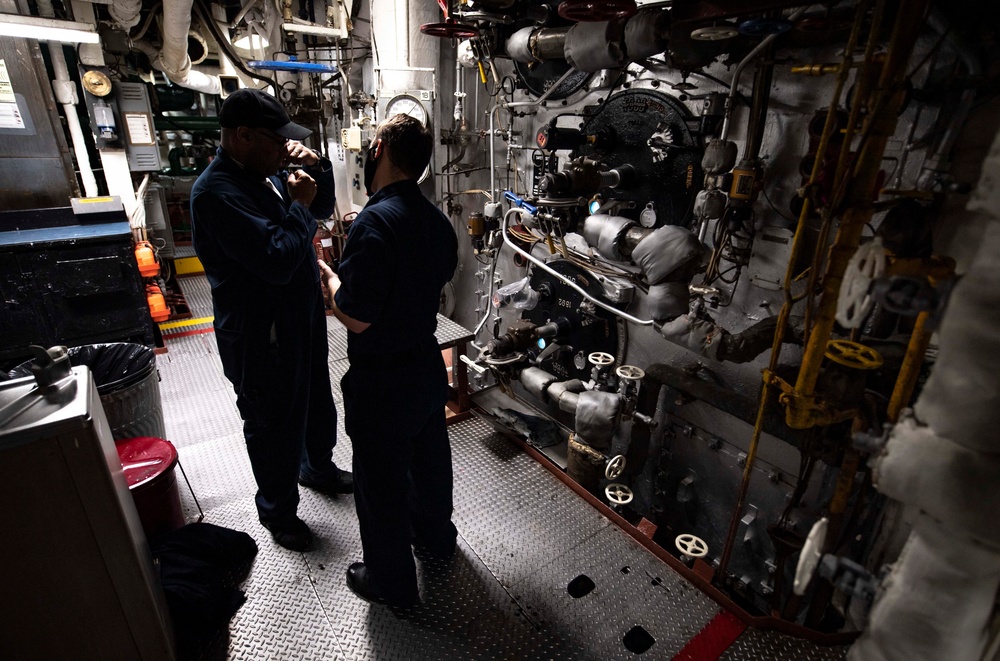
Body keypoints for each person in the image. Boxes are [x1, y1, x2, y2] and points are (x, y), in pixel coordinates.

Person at [191, 88, 353, 552]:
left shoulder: (264, 172)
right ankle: (279, 513)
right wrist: (298, 206)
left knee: (315, 398)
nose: (285, 148)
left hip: (297, 316)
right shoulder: (216, 194)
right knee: (272, 422)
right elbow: (279, 257)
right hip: (260, 333)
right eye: (276, 139)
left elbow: (319, 211)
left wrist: (316, 171)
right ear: (243, 136)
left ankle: (317, 467)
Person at [318, 114, 459, 607]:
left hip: (383, 381)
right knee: (429, 463)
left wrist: (332, 281)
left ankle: (391, 584)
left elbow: (356, 317)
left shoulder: (374, 222)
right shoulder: (437, 223)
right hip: (425, 364)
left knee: (380, 487)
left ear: (376, 149)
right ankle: (437, 541)